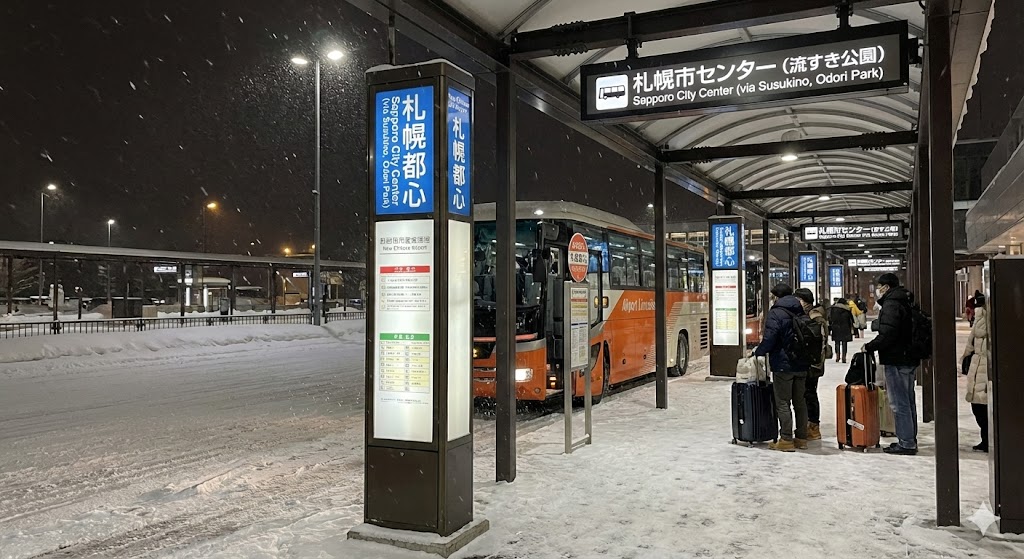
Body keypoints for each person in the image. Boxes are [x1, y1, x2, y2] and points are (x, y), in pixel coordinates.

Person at [864, 273, 922, 456]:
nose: (878, 290)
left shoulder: (891, 304)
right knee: (908, 401)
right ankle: (909, 439)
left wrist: (870, 346)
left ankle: (906, 443)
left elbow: (888, 334)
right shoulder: (905, 301)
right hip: (908, 357)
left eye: (879, 286)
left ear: (886, 287)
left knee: (899, 403)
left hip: (897, 359)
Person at [753, 283, 810, 452]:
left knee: (783, 402)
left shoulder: (776, 312)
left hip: (783, 364)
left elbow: (770, 337)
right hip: (801, 362)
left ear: (776, 296)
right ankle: (801, 438)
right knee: (800, 402)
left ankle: (786, 439)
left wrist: (759, 351)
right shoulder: (800, 310)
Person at [794, 288, 828, 441]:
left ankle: (813, 427)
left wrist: (815, 362)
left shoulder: (815, 317)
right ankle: (809, 425)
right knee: (807, 393)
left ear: (804, 301)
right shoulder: (809, 315)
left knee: (810, 394)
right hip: (811, 362)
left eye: (798, 300)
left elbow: (821, 343)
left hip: (813, 363)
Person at [961, 293, 989, 452]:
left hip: (983, 367)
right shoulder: (980, 319)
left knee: (981, 406)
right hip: (978, 366)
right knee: (978, 406)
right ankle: (986, 439)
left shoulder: (982, 318)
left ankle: (988, 440)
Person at [829, 298, 855, 363]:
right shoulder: (847, 309)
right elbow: (851, 319)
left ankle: (837, 356)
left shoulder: (833, 309)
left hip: (836, 327)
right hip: (845, 328)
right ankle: (844, 357)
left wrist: (830, 327)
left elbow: (830, 319)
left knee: (837, 342)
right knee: (844, 343)